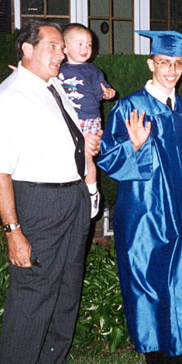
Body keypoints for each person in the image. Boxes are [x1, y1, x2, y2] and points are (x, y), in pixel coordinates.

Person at [0, 20, 101, 364]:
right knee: (31, 299)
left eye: (61, 48)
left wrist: (87, 150)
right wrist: (13, 232)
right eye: (53, 46)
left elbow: (66, 139)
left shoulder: (53, 88)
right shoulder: (9, 98)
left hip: (72, 199)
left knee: (67, 292)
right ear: (27, 50)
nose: (62, 53)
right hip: (38, 203)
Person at [97, 31, 182, 364]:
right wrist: (136, 146)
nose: (171, 71)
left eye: (177, 64)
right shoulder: (130, 107)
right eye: (164, 63)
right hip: (143, 213)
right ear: (151, 64)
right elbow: (109, 159)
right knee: (144, 284)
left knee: (177, 284)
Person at [56, 22, 116, 218]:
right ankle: (67, 193)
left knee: (87, 156)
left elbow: (102, 91)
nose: (85, 49)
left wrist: (108, 92)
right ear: (64, 48)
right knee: (66, 156)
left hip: (88, 120)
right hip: (65, 122)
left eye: (89, 45)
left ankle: (92, 192)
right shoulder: (57, 70)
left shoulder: (92, 71)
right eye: (79, 44)